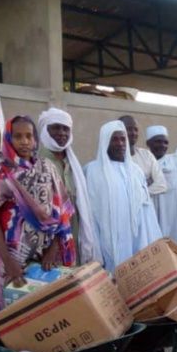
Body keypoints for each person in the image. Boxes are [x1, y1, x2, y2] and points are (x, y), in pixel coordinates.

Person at [0, 116, 76, 311]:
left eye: (29, 136)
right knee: (13, 309)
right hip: (12, 254)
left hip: (47, 255)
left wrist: (53, 249)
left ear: (35, 139)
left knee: (50, 308)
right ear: (8, 138)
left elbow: (61, 211)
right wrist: (8, 260)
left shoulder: (47, 167)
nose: (24, 141)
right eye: (18, 136)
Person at [85, 121, 162, 272]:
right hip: (107, 240)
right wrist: (95, 251)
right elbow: (90, 213)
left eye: (123, 139)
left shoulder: (136, 171)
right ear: (105, 142)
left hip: (137, 240)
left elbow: (147, 212)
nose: (120, 144)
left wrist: (153, 242)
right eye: (114, 139)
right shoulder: (92, 171)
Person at [37, 108, 101, 265]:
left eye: (65, 129)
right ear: (45, 130)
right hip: (47, 238)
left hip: (73, 230)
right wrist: (52, 246)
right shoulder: (37, 162)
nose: (61, 133)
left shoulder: (72, 162)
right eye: (56, 128)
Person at [118, 115, 167, 196]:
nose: (133, 133)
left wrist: (138, 193)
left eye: (136, 129)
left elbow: (162, 185)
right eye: (129, 129)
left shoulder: (146, 155)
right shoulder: (113, 158)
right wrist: (145, 184)